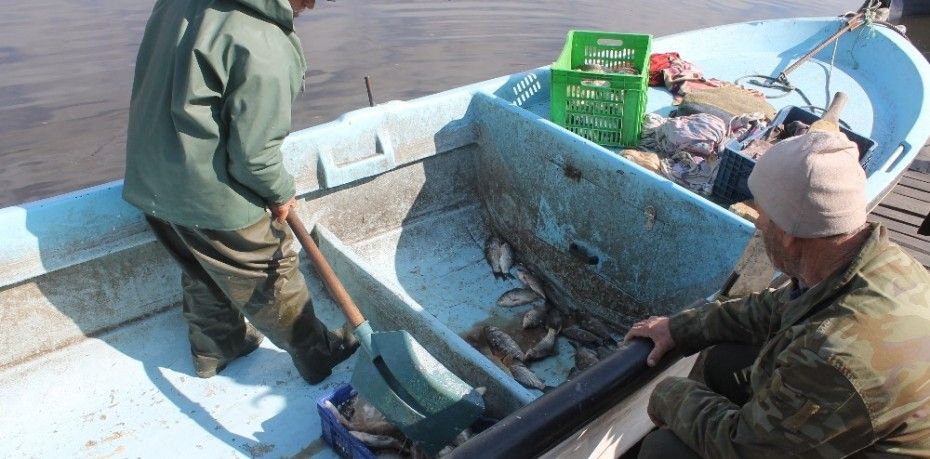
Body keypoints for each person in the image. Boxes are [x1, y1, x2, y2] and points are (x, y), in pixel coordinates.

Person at [627, 129, 930, 457]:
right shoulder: (875, 260)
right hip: (850, 416)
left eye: (762, 216)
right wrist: (679, 328)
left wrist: (667, 394)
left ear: (787, 235)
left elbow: (743, 449)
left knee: (665, 450)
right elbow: (776, 307)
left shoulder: (832, 357)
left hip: (843, 418)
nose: (758, 225)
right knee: (726, 362)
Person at [122, 0, 357, 385]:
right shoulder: (263, 42)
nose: (310, 7)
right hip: (207, 193)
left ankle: (215, 349)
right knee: (272, 271)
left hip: (152, 182)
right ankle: (319, 354)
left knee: (203, 268)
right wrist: (281, 193)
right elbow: (254, 159)